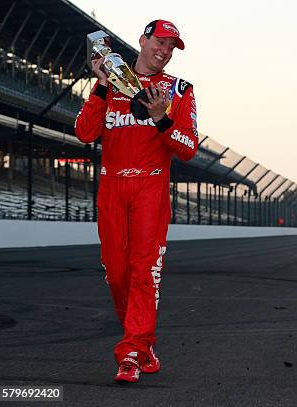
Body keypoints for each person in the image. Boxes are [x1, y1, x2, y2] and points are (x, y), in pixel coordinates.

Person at [74, 20, 198, 383]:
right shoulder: (112, 80)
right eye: (160, 42)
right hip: (112, 187)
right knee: (116, 273)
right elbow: (84, 133)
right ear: (142, 41)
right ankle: (142, 344)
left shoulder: (178, 89)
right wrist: (99, 85)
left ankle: (130, 352)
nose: (165, 50)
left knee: (144, 272)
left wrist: (162, 120)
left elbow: (188, 149)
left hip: (150, 189)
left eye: (171, 46)